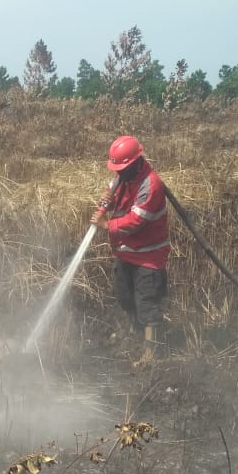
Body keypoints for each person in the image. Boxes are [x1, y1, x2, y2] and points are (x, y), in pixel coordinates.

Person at [90, 135, 170, 364]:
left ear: (136, 162)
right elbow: (119, 203)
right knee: (126, 297)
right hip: (125, 252)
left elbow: (137, 219)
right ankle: (134, 335)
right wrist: (107, 203)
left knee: (147, 303)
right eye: (117, 168)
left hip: (148, 256)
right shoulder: (121, 178)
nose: (118, 172)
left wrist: (107, 225)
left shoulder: (151, 184)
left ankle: (151, 354)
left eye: (122, 167)